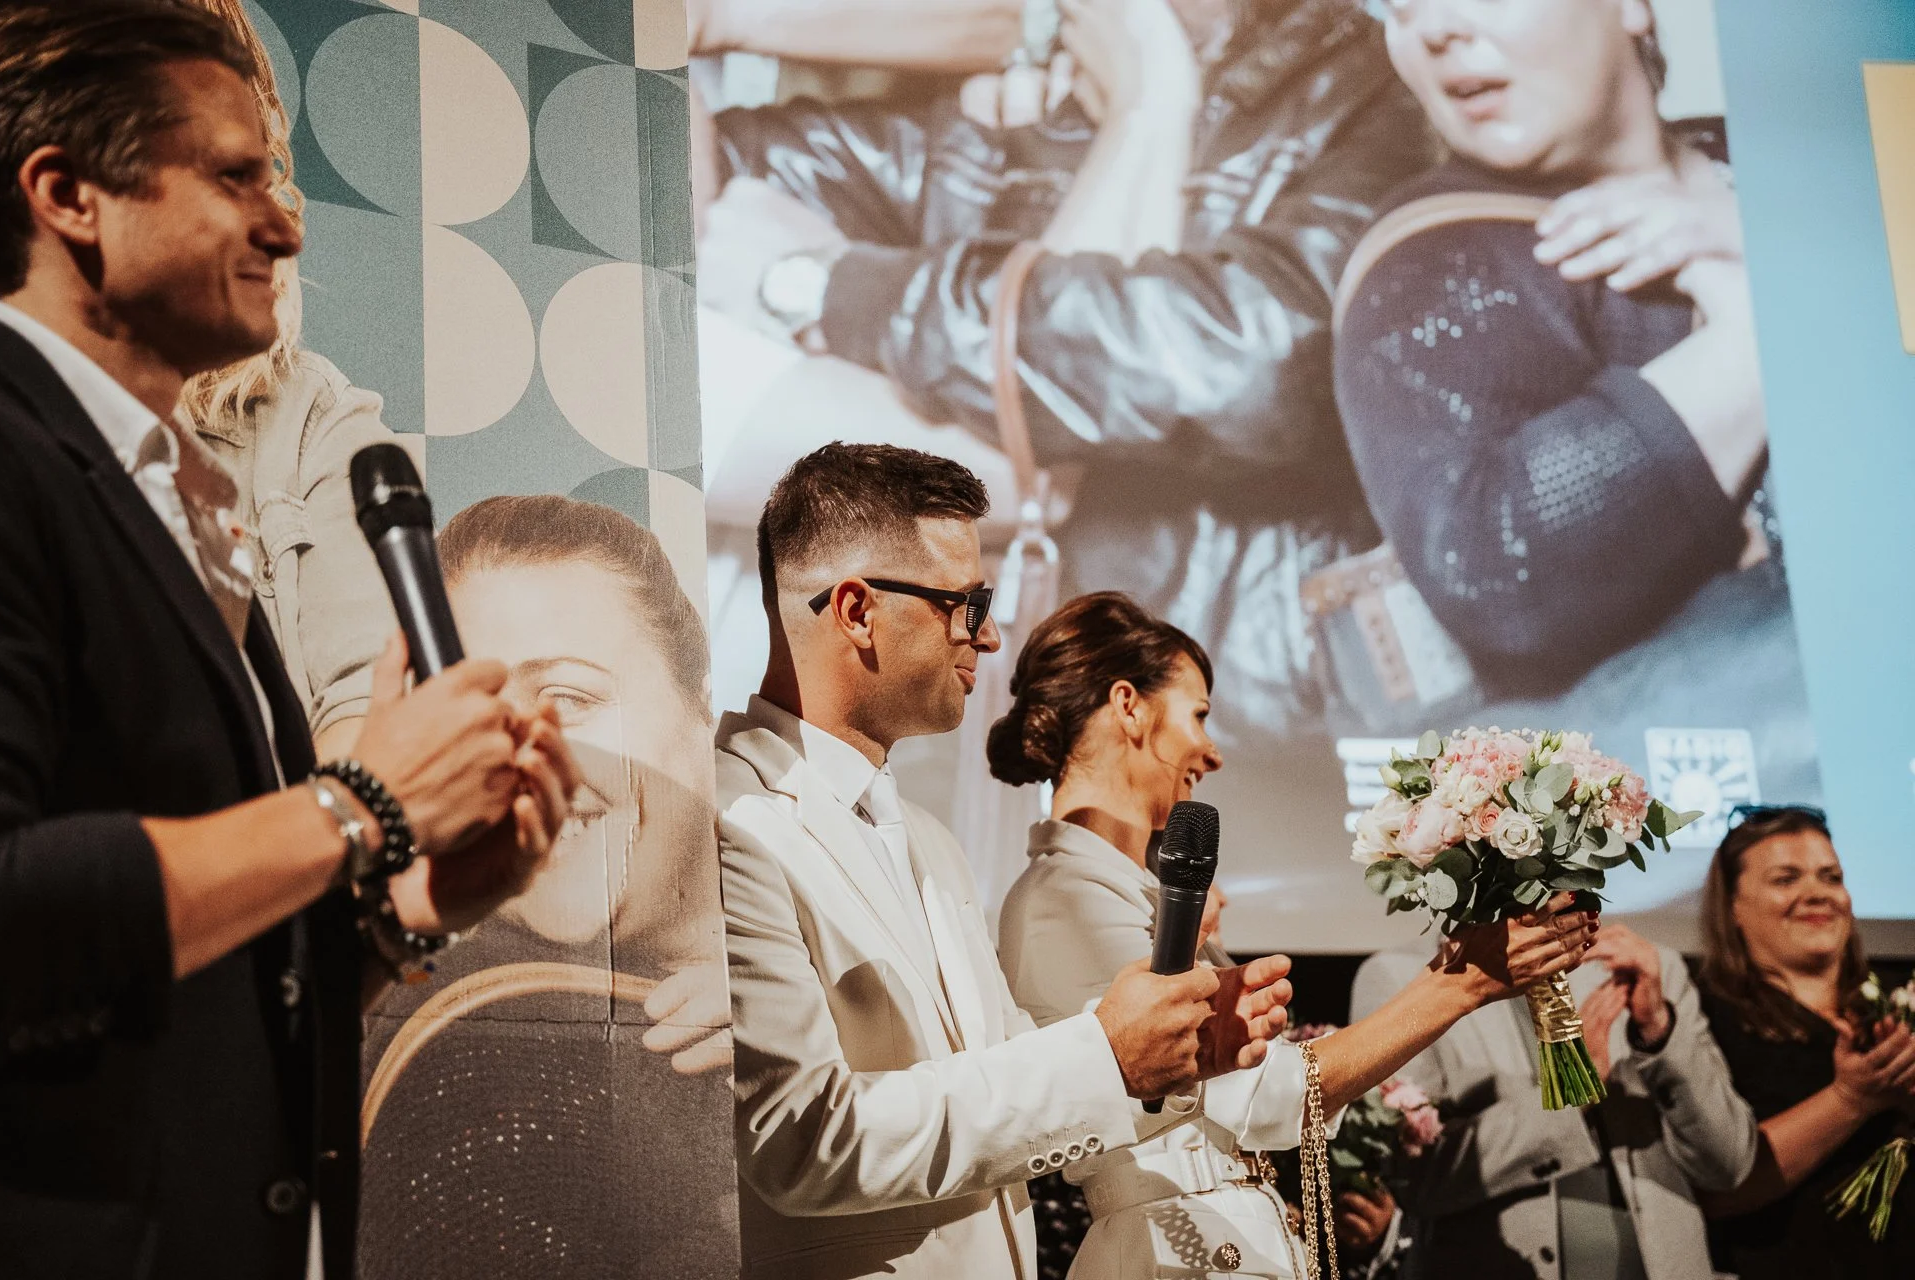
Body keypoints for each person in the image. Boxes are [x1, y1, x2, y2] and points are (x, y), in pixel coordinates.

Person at [0, 5, 578, 1279]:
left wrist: (401, 918)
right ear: (68, 195)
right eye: (235, 176)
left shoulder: (172, 503)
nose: (289, 224)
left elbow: (194, 974)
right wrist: (360, 805)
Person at [700, 0, 1437, 758]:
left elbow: (1241, 366)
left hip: (1237, 722)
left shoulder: (1390, 85)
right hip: (996, 728)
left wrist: (841, 288)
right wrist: (701, 21)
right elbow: (682, 195)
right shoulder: (1008, 107)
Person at [717, 442, 1294, 1279]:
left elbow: (1002, 1066)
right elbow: (803, 1137)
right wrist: (1103, 1055)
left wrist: (1177, 1051)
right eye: (967, 604)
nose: (988, 636)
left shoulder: (930, 838)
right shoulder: (732, 822)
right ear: (856, 610)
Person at [989, 591, 1599, 1278]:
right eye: (1199, 716)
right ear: (1128, 705)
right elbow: (1265, 1097)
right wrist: (1460, 984)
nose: (1212, 753)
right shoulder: (1062, 899)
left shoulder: (1138, 898)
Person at [1329, 0, 1812, 810]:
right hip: (1693, 825)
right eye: (1401, 5)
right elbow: (1495, 573)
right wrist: (1759, 338)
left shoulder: (1800, 173)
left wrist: (1780, 239)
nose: (1434, 29)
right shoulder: (1430, 258)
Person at [356, 494, 733, 1277]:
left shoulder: (807, 920)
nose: (521, 763)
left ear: (701, 711)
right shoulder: (480, 1048)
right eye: (477, 722)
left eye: (570, 699)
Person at [176, 0, 409, 759]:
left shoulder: (312, 417)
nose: (282, 231)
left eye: (258, 170)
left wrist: (350, 809)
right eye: (221, 175)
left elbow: (365, 707)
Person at [1351, 916, 1757, 1280]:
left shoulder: (1644, 964)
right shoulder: (1402, 980)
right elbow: (1414, 1180)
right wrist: (1570, 1090)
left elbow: (1729, 1165)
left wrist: (1660, 1033)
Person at [1694, 805, 1915, 1278]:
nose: (1817, 893)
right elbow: (1716, 1190)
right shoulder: (1704, 1019)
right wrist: (1850, 1099)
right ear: (1733, 907)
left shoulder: (1896, 999)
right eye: (1786, 879)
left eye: (1831, 877)